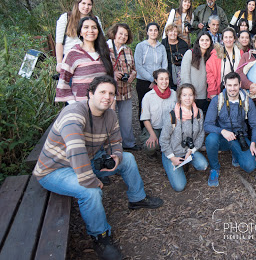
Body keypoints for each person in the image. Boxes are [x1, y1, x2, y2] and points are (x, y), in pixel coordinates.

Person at [34, 76, 163, 260]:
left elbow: (116, 142)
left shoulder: (109, 115)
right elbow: (75, 150)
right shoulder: (74, 113)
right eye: (102, 92)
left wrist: (116, 157)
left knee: (128, 158)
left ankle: (137, 198)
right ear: (91, 93)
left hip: (86, 161)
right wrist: (90, 180)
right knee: (91, 192)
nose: (107, 97)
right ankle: (100, 236)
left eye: (111, 93)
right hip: (55, 169)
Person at [204, 72, 256, 187]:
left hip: (239, 137)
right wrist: (222, 131)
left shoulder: (247, 101)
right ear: (224, 84)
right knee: (211, 139)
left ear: (240, 84)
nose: (232, 89)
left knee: (250, 166)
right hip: (222, 137)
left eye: (235, 85)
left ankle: (236, 153)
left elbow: (255, 125)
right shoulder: (217, 100)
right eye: (229, 85)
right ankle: (215, 168)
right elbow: (207, 125)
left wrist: (253, 143)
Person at [159, 84, 208, 192]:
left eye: (190, 95)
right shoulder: (172, 115)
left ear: (194, 96)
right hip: (173, 153)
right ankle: (172, 166)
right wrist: (172, 157)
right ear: (180, 97)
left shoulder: (198, 113)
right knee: (179, 186)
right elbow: (163, 140)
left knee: (203, 165)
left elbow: (200, 134)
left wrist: (191, 150)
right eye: (184, 95)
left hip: (189, 152)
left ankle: (184, 164)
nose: (188, 98)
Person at [56, 16, 113, 103]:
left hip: (102, 106)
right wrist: (74, 105)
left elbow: (110, 80)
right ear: (80, 32)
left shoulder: (105, 53)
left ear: (98, 31)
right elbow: (63, 83)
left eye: (94, 27)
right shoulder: (73, 54)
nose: (90, 30)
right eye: (86, 27)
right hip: (81, 106)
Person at [107, 23, 137, 150]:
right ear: (114, 33)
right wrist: (112, 73)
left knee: (126, 119)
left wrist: (132, 75)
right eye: (120, 33)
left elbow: (134, 69)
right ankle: (110, 145)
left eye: (126, 35)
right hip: (109, 91)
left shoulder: (128, 50)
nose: (123, 36)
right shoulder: (104, 48)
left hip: (125, 90)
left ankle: (128, 143)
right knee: (109, 119)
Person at [55, 0, 102, 72]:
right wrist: (59, 63)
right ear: (77, 4)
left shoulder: (95, 20)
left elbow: (101, 41)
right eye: (83, 3)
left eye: (89, 4)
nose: (86, 7)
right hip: (70, 60)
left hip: (90, 59)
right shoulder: (66, 18)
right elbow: (59, 42)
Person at [134, 22, 168, 129]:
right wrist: (151, 79)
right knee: (144, 106)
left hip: (160, 83)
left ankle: (157, 130)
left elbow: (164, 64)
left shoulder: (161, 47)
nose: (153, 32)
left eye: (155, 30)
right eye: (151, 30)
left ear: (158, 32)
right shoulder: (141, 46)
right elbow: (138, 66)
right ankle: (145, 131)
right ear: (147, 32)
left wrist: (158, 80)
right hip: (143, 82)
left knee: (158, 106)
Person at [139, 69, 177, 155]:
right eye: (161, 79)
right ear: (156, 80)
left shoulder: (174, 95)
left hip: (169, 128)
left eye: (166, 79)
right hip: (154, 128)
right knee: (151, 147)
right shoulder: (148, 96)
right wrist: (152, 134)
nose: (164, 82)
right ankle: (152, 152)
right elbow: (145, 119)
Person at [180, 31, 213, 114]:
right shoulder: (190, 53)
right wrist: (189, 93)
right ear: (198, 41)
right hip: (191, 95)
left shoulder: (210, 56)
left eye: (207, 40)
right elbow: (185, 75)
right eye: (202, 40)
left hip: (205, 96)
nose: (204, 42)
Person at [206, 27, 243, 99]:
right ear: (222, 39)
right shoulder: (216, 54)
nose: (228, 40)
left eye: (230, 37)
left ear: (234, 39)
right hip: (222, 89)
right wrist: (212, 91)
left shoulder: (240, 52)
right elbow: (210, 75)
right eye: (226, 37)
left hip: (237, 89)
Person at [161, 23, 189, 90]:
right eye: (171, 31)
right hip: (167, 72)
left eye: (175, 31)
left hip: (180, 72)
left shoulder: (183, 44)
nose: (173, 33)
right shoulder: (163, 44)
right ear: (167, 33)